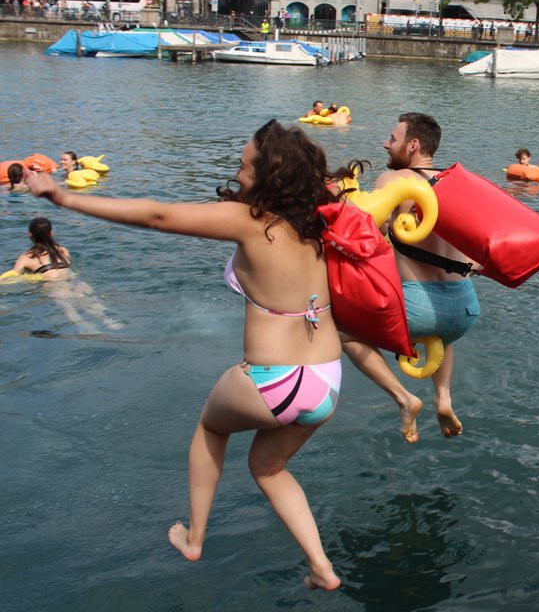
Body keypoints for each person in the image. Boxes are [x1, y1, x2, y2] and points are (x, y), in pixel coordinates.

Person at [25, 120, 353, 591]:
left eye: (243, 166)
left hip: (276, 379)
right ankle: (321, 567)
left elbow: (157, 215)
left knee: (210, 427)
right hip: (326, 380)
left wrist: (62, 197)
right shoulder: (317, 225)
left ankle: (195, 537)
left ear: (268, 173)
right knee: (268, 467)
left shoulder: (252, 223)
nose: (237, 174)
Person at [342, 113, 480, 442]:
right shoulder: (461, 182)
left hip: (417, 305)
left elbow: (364, 236)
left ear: (413, 145)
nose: (386, 144)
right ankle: (443, 397)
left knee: (341, 332)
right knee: (443, 336)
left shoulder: (394, 181)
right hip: (464, 309)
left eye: (393, 138)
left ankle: (404, 398)